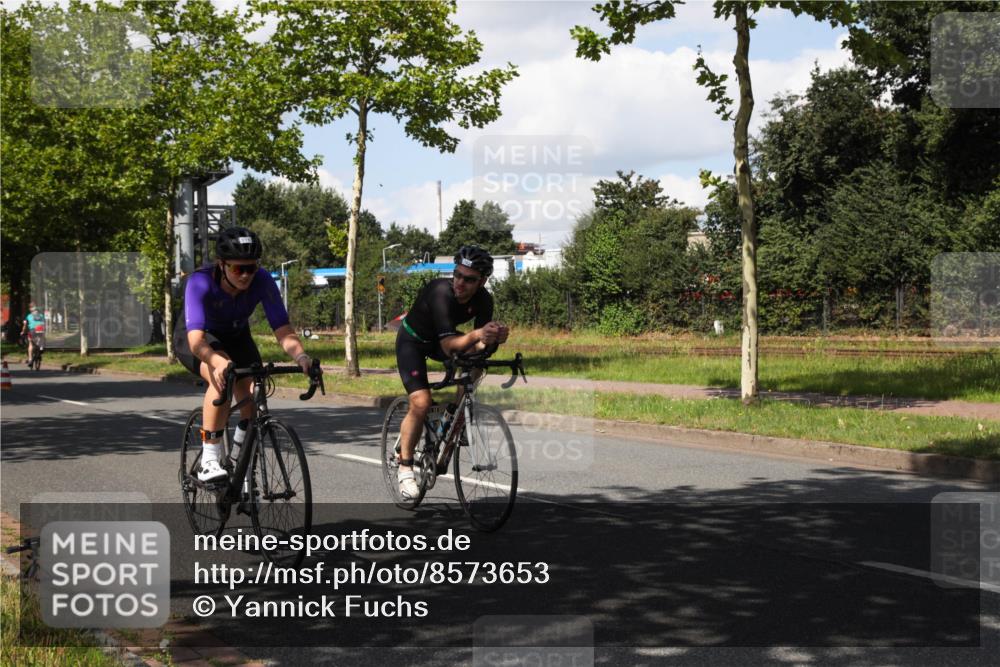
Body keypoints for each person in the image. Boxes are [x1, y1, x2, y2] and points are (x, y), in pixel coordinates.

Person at [174, 226, 313, 482]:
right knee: (222, 377)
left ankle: (238, 462)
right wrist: (217, 363)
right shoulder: (200, 281)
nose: (246, 275)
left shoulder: (261, 280)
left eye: (252, 267)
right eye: (239, 269)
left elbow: (283, 329)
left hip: (237, 335)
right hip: (199, 337)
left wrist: (302, 357)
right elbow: (196, 341)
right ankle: (210, 459)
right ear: (222, 265)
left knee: (255, 396)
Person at [394, 245, 510, 500]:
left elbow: (478, 346)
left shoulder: (483, 300)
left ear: (483, 281)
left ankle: (455, 414)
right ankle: (404, 466)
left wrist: (493, 339)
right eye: (457, 274)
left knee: (476, 363)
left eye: (469, 279)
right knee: (421, 402)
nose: (460, 283)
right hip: (412, 342)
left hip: (439, 340)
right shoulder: (440, 292)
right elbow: (449, 346)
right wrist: (478, 335)